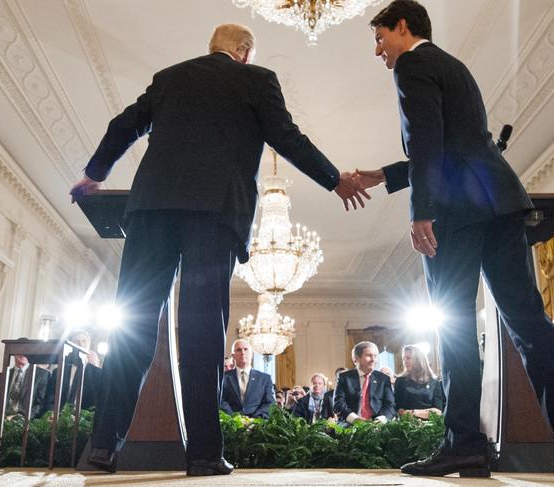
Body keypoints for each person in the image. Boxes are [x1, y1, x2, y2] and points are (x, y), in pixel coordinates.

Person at [70, 24, 367, 476]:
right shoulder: (257, 79)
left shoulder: (169, 77)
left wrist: (94, 173)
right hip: (214, 214)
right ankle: (204, 454)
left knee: (131, 324)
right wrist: (334, 179)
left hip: (151, 212)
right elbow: (286, 138)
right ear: (245, 53)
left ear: (212, 48)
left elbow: (124, 125)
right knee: (203, 331)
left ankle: (103, 447)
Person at [353, 0, 554, 477]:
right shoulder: (452, 65)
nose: (379, 51)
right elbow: (457, 145)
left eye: (380, 38)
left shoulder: (412, 65)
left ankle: (464, 443)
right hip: (499, 204)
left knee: (456, 327)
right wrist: (382, 175)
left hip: (455, 214)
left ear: (403, 27)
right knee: (528, 320)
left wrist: (421, 211)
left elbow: (426, 141)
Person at [333, 341, 396, 424]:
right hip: (350, 424)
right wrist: (355, 419)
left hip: (378, 425)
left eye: (375, 356)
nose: (373, 360)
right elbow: (338, 404)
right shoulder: (344, 378)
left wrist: (380, 420)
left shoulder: (383, 379)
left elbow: (390, 405)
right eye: (369, 356)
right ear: (356, 358)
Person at [44, 329, 102, 412]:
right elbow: (50, 399)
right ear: (71, 346)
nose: (81, 344)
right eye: (77, 342)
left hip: (83, 420)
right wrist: (52, 415)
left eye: (84, 341)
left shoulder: (98, 374)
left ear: (88, 345)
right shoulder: (58, 372)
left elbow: (97, 403)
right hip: (56, 418)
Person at [220, 339, 275, 419]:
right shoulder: (223, 377)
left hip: (257, 425)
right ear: (233, 355)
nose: (242, 353)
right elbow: (220, 400)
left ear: (251, 354)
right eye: (239, 350)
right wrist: (235, 419)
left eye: (246, 349)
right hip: (231, 424)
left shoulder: (265, 378)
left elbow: (270, 403)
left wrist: (254, 420)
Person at [0, 353, 50, 419]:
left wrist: (20, 418)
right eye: (20, 350)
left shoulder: (43, 375)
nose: (23, 353)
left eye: (27, 351)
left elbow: (40, 404)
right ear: (13, 352)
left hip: (26, 422)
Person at [394, 345, 443, 420]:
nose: (405, 361)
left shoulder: (433, 381)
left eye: (408, 358)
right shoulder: (400, 381)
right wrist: (427, 412)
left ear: (419, 359)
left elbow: (438, 412)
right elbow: (398, 409)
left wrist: (414, 412)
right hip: (408, 426)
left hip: (431, 425)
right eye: (403, 358)